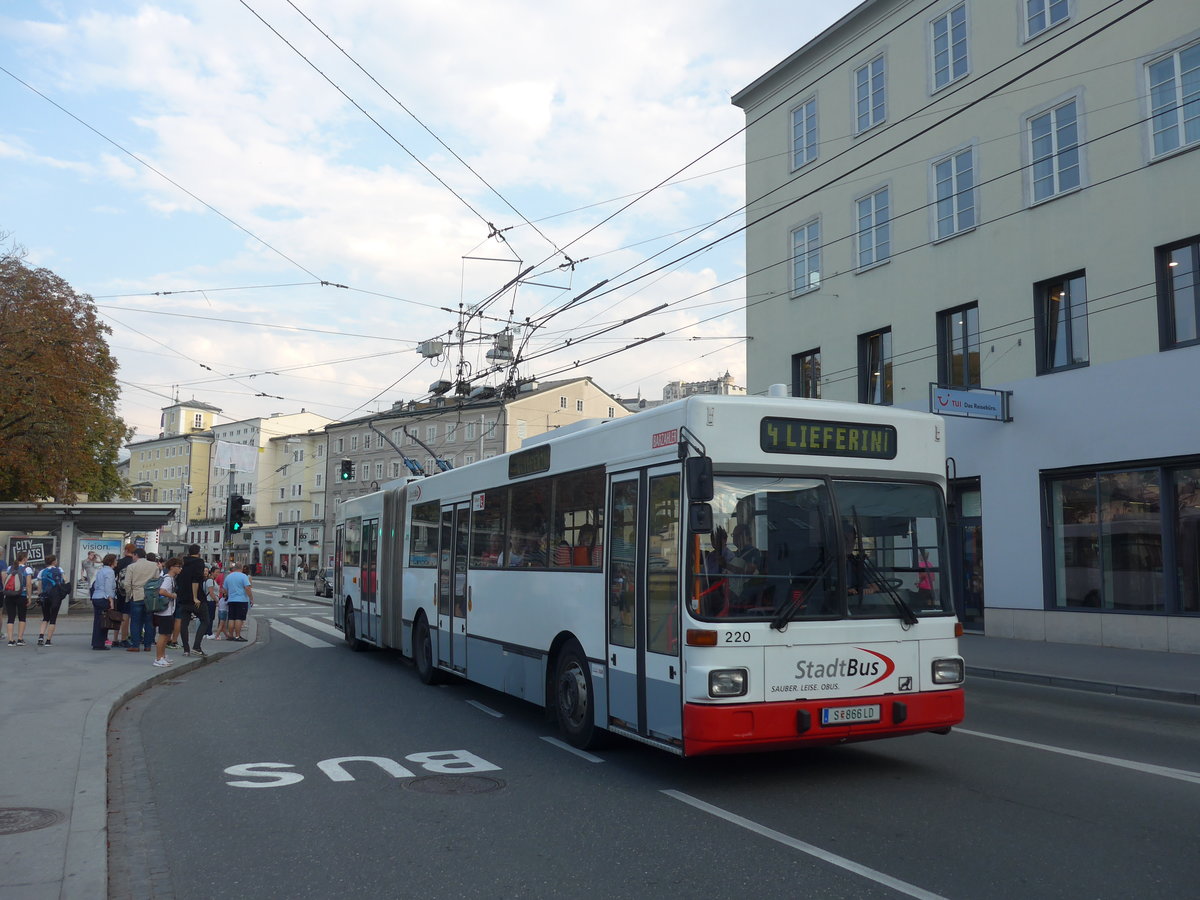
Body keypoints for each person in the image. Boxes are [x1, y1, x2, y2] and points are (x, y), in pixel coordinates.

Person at [121, 548, 160, 652]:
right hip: (150, 597)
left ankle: (135, 645)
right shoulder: (154, 566)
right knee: (149, 621)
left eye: (133, 556)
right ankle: (147, 645)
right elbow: (157, 581)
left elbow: (127, 584)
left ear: (135, 555)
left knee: (135, 622)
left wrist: (129, 595)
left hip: (137, 595)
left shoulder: (132, 567)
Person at [172, 545, 206, 656]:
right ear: (198, 552)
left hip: (183, 597)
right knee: (205, 621)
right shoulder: (199, 562)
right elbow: (195, 580)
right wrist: (195, 597)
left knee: (184, 623)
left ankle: (186, 649)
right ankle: (196, 646)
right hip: (197, 598)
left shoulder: (182, 562)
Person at [153, 558, 182, 666]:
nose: (180, 569)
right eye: (178, 566)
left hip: (168, 610)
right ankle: (158, 658)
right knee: (163, 635)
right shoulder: (168, 579)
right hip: (165, 611)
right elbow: (162, 591)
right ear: (171, 567)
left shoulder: (170, 578)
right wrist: (172, 596)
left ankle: (163, 656)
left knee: (166, 635)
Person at [4, 551, 36, 646]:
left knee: (10, 618)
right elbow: (28, 584)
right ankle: (20, 639)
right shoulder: (27, 569)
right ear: (24, 559)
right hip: (21, 595)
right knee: (22, 617)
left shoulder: (10, 568)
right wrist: (29, 597)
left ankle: (10, 640)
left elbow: (6, 581)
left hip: (9, 596)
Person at [35, 555, 68, 646]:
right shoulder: (59, 570)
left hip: (45, 597)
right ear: (54, 561)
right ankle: (48, 641)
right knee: (53, 618)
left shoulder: (42, 572)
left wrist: (39, 596)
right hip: (56, 597)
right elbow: (65, 580)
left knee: (45, 617)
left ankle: (41, 636)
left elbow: (39, 586)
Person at [89, 553, 118, 650]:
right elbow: (108, 587)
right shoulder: (110, 572)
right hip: (103, 598)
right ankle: (100, 643)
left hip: (96, 596)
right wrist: (111, 600)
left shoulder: (101, 570)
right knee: (104, 621)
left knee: (97, 621)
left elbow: (96, 584)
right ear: (111, 562)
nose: (116, 562)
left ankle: (96, 642)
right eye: (115, 560)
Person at [113, 544, 137, 647]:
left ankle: (115, 639)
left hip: (119, 592)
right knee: (126, 615)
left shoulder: (119, 562)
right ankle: (124, 638)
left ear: (126, 550)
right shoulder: (134, 563)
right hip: (129, 592)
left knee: (118, 614)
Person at [223, 562, 253, 641]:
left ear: (234, 568)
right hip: (241, 600)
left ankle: (230, 635)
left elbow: (224, 589)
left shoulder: (228, 576)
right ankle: (237, 636)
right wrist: (251, 598)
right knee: (239, 618)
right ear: (241, 568)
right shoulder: (243, 576)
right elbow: (247, 588)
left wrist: (228, 594)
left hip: (231, 600)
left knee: (231, 618)